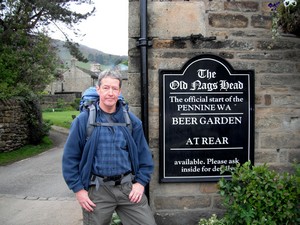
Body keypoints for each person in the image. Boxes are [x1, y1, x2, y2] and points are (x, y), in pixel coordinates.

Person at [62, 69, 156, 225]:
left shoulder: (131, 121)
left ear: (119, 91)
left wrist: (140, 184)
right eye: (106, 87)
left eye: (114, 88)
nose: (110, 93)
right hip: (97, 191)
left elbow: (144, 157)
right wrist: (79, 190)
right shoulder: (83, 121)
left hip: (128, 189)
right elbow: (70, 159)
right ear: (98, 89)